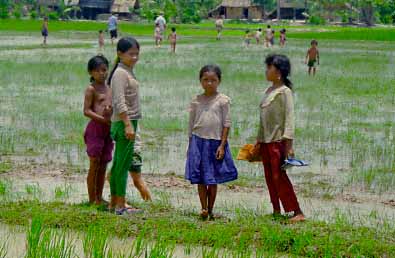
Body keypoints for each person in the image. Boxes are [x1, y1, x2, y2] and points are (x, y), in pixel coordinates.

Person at [253, 54, 305, 223]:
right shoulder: (268, 91)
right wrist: (258, 141)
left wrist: (289, 145)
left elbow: (289, 119)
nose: (266, 71)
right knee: (269, 177)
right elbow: (263, 120)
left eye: (269, 68)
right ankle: (276, 210)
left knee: (279, 177)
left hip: (278, 142)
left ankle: (297, 211)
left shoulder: (285, 92)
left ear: (279, 73)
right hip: (266, 142)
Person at [185, 65, 238, 220]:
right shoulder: (196, 101)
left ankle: (211, 208)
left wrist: (222, 145)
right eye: (205, 80)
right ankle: (203, 208)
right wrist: (190, 145)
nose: (209, 83)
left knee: (212, 179)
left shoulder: (223, 101)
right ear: (200, 81)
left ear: (219, 81)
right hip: (198, 141)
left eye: (213, 80)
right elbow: (191, 124)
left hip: (215, 143)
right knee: (200, 178)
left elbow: (227, 124)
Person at [107, 37, 142, 215]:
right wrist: (128, 125)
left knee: (119, 163)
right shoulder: (121, 73)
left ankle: (114, 202)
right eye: (131, 54)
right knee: (122, 165)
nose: (135, 57)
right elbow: (119, 101)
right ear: (120, 54)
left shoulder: (126, 71)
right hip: (124, 122)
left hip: (125, 121)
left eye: (137, 53)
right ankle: (120, 205)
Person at [83, 55, 113, 205]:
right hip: (96, 129)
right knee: (94, 163)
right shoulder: (91, 89)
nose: (102, 73)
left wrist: (110, 113)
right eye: (98, 71)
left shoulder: (110, 88)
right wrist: (103, 119)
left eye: (104, 70)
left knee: (103, 164)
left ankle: (99, 197)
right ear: (91, 73)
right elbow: (86, 111)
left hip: (108, 131)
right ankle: (91, 198)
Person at [129, 129, 152, 201]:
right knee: (111, 176)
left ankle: (149, 202)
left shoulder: (129, 120)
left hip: (132, 151)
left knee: (137, 181)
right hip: (133, 150)